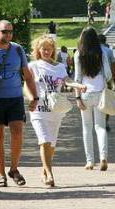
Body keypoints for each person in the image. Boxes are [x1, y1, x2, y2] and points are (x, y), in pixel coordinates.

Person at [0, 20, 39, 187]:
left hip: (15, 98)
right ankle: (1, 175)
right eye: (4, 31)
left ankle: (14, 169)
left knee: (17, 133)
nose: (8, 35)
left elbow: (28, 76)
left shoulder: (18, 50)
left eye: (10, 32)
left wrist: (34, 97)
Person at [25, 35, 87, 187]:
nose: (46, 51)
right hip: (39, 109)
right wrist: (31, 98)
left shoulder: (59, 67)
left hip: (55, 110)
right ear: (38, 50)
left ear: (53, 50)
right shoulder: (33, 66)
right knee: (44, 141)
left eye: (49, 49)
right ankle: (50, 175)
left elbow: (67, 80)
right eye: (43, 49)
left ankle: (44, 171)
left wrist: (78, 86)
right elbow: (26, 85)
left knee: (51, 144)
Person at [74, 27, 113, 171]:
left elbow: (77, 78)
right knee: (100, 126)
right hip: (100, 93)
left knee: (87, 128)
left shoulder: (79, 54)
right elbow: (108, 75)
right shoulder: (101, 53)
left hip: (84, 93)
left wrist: (77, 97)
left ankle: (89, 161)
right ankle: (103, 157)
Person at [98, 33, 115, 131]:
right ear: (105, 41)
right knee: (107, 101)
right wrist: (112, 78)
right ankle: (105, 121)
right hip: (107, 79)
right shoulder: (109, 51)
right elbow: (113, 65)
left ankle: (98, 120)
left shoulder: (94, 50)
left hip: (96, 79)